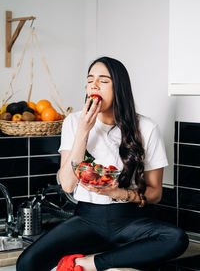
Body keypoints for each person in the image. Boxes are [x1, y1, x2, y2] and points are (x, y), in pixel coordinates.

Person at [16, 56, 189, 271]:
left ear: (120, 88)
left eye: (104, 81)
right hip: (87, 220)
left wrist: (118, 193)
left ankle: (89, 263)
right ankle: (108, 258)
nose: (94, 85)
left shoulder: (146, 127)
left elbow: (155, 193)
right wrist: (83, 132)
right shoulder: (74, 122)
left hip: (130, 220)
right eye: (90, 80)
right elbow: (68, 185)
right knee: (27, 264)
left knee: (176, 238)